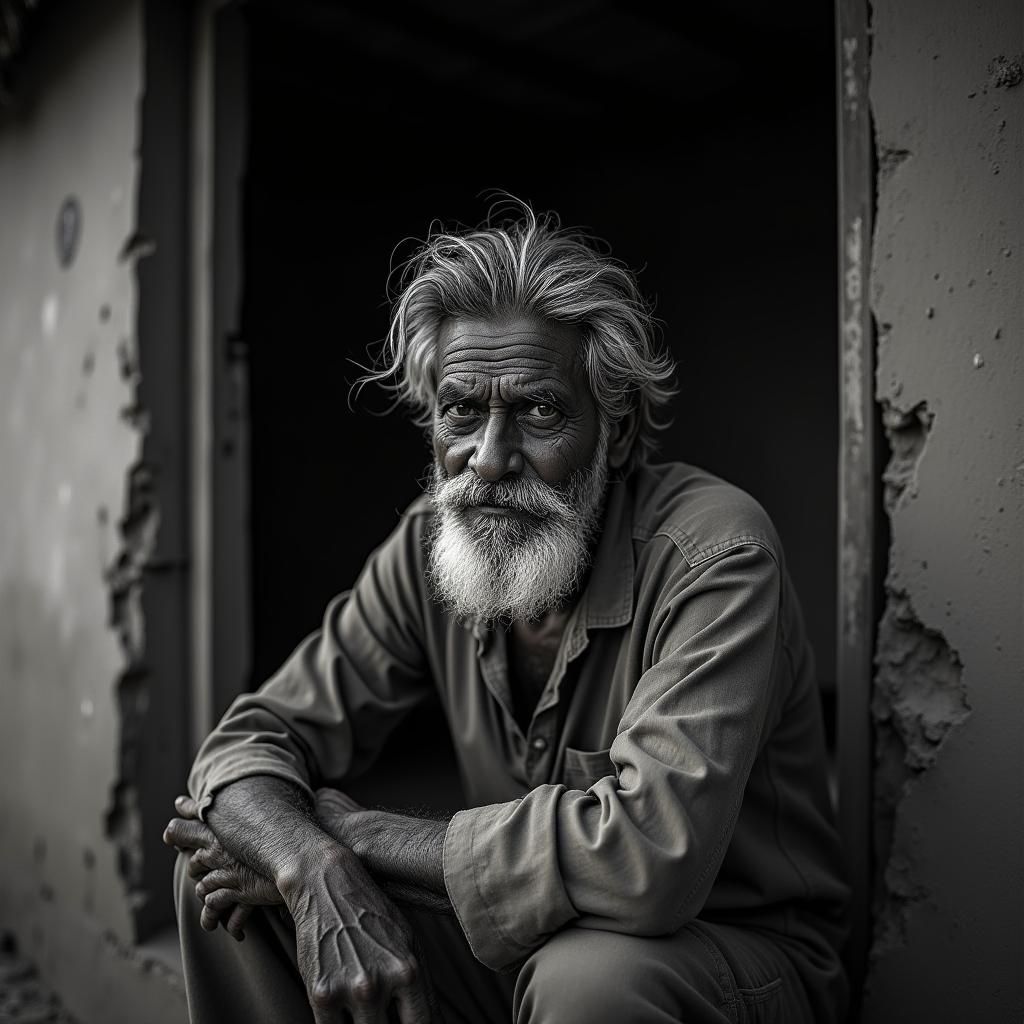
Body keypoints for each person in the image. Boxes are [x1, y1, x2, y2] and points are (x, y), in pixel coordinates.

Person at [164, 201, 849, 1024]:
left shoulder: (717, 556)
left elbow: (648, 861)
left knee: (591, 981)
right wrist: (308, 861)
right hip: (537, 938)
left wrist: (362, 836)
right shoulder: (433, 543)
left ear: (617, 433)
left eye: (538, 410)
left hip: (730, 958)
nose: (488, 459)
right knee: (230, 875)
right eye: (462, 410)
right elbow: (246, 744)